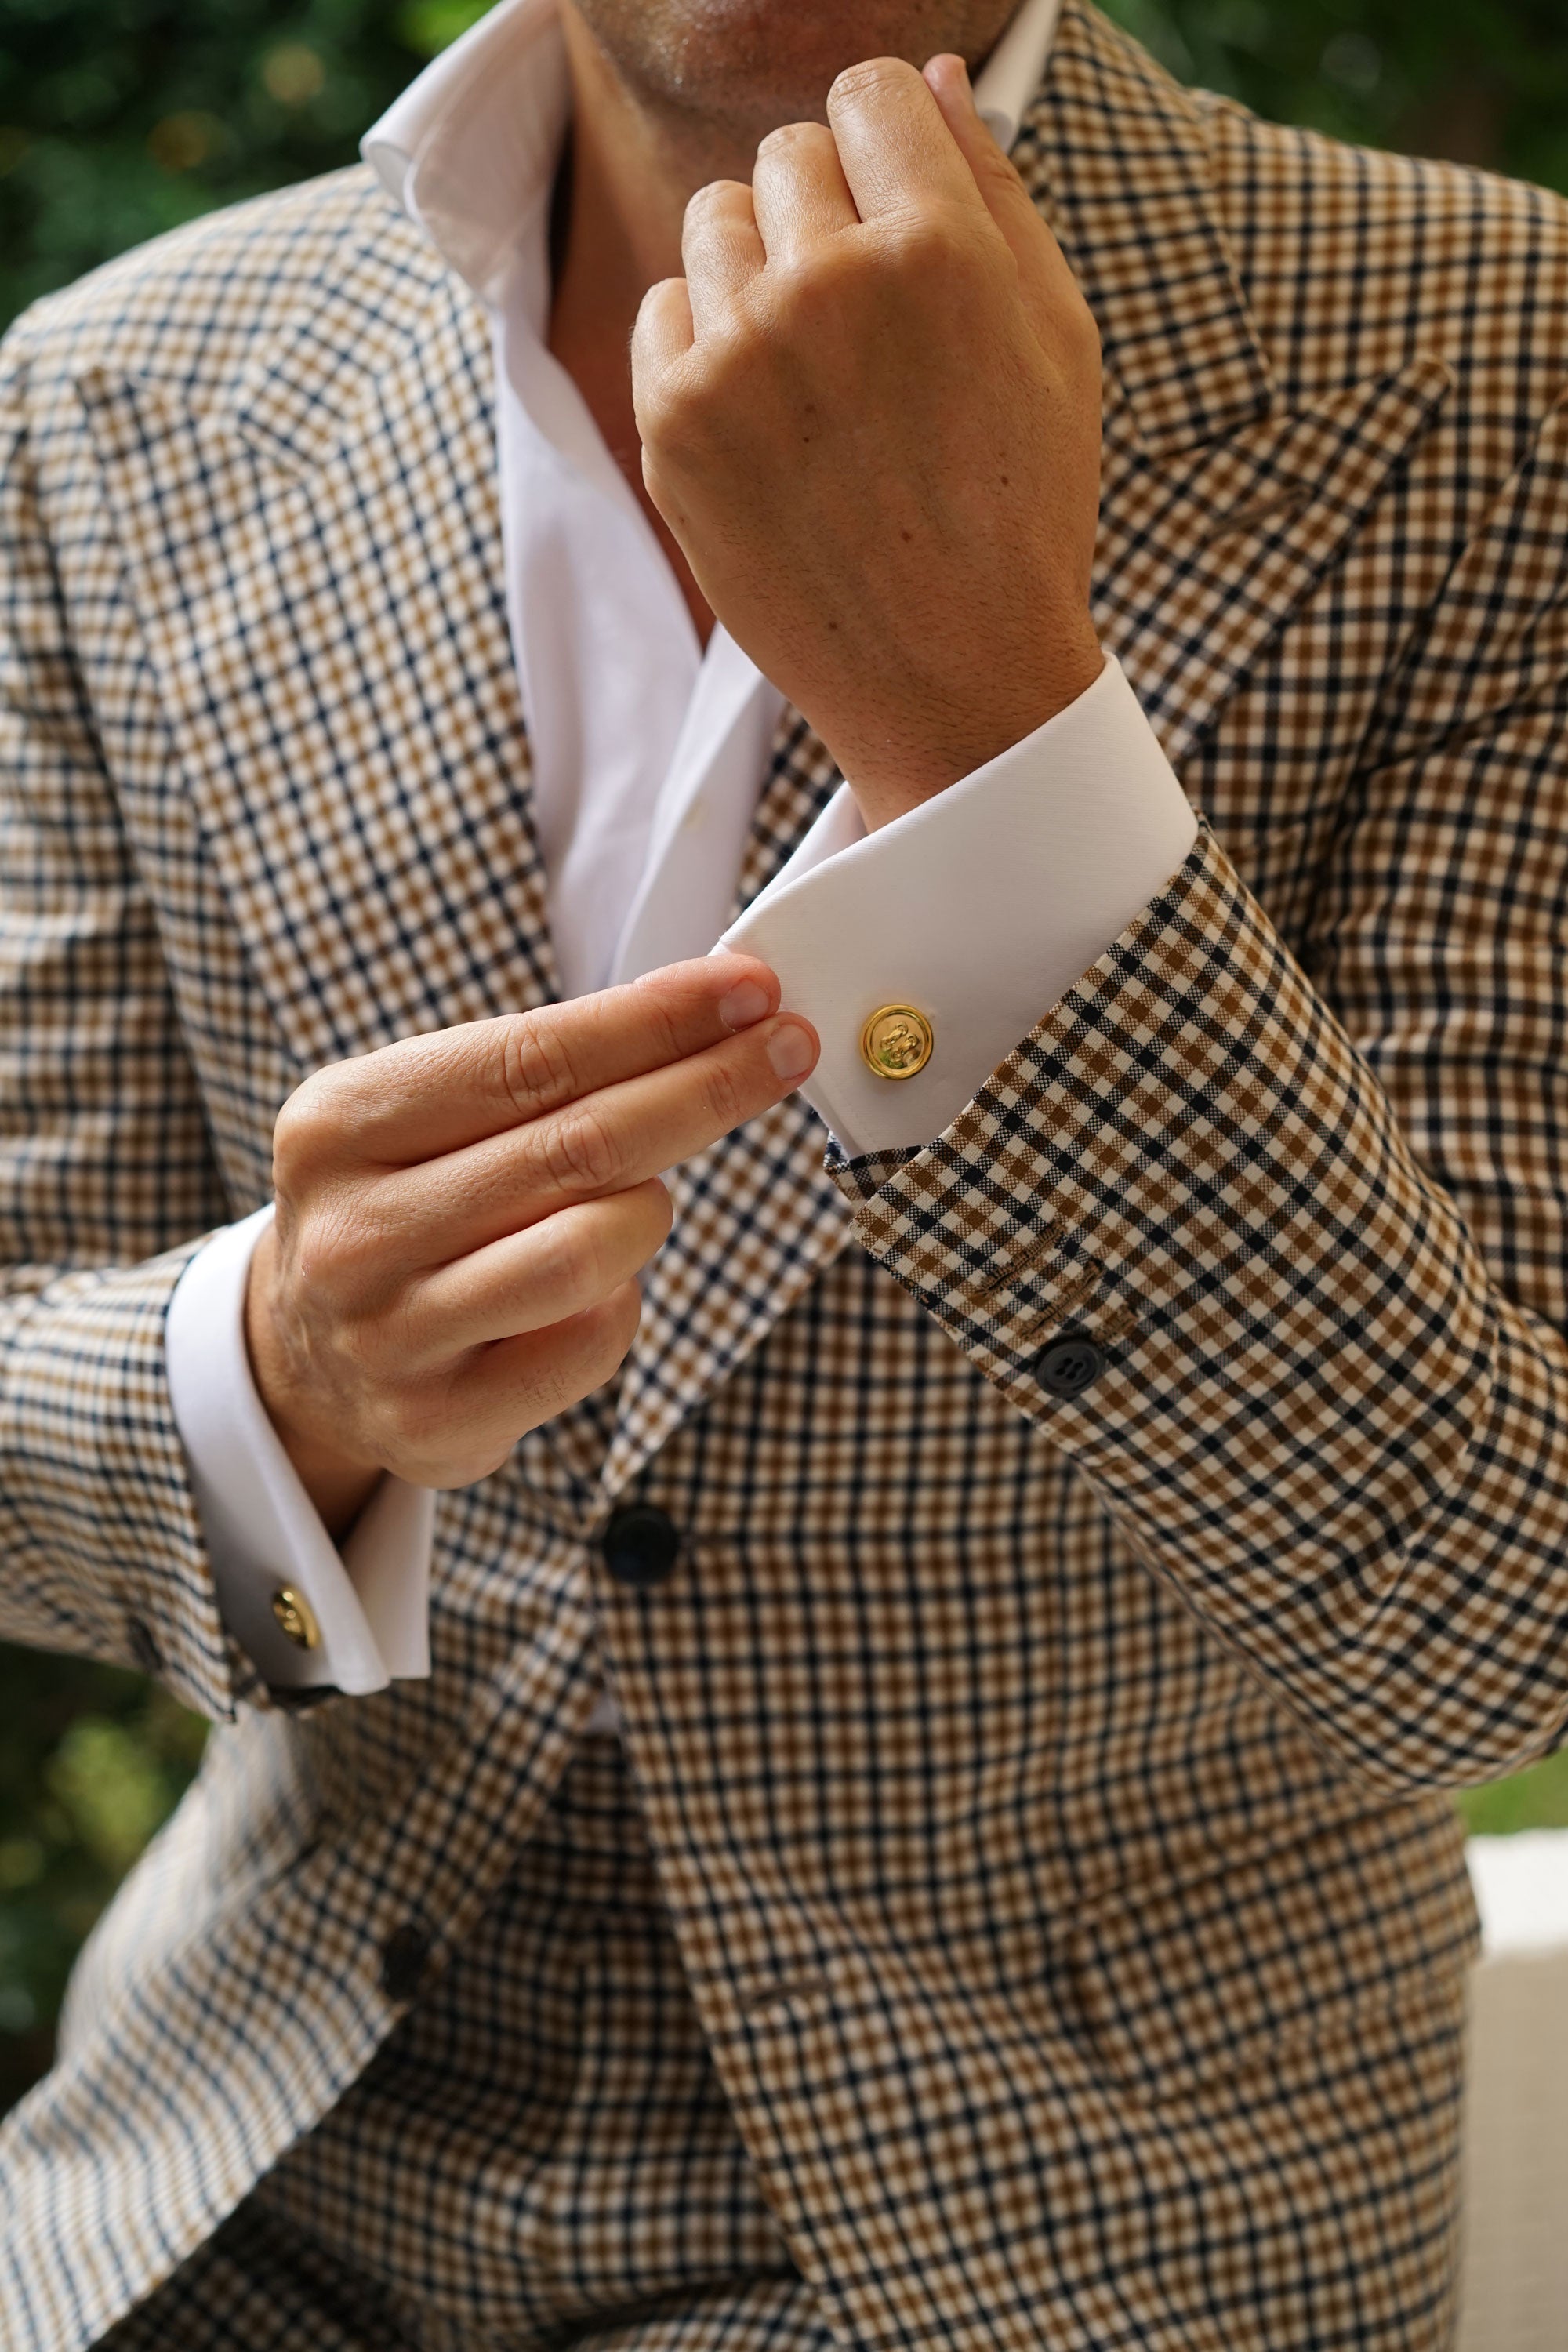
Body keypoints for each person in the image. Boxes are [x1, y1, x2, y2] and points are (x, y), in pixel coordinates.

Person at [3, 0, 1568, 2340]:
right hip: (234, 2198)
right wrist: (280, 1375)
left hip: (1067, 2236)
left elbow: (1497, 1618)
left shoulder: (1498, 355)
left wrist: (988, 729)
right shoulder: (104, 398)